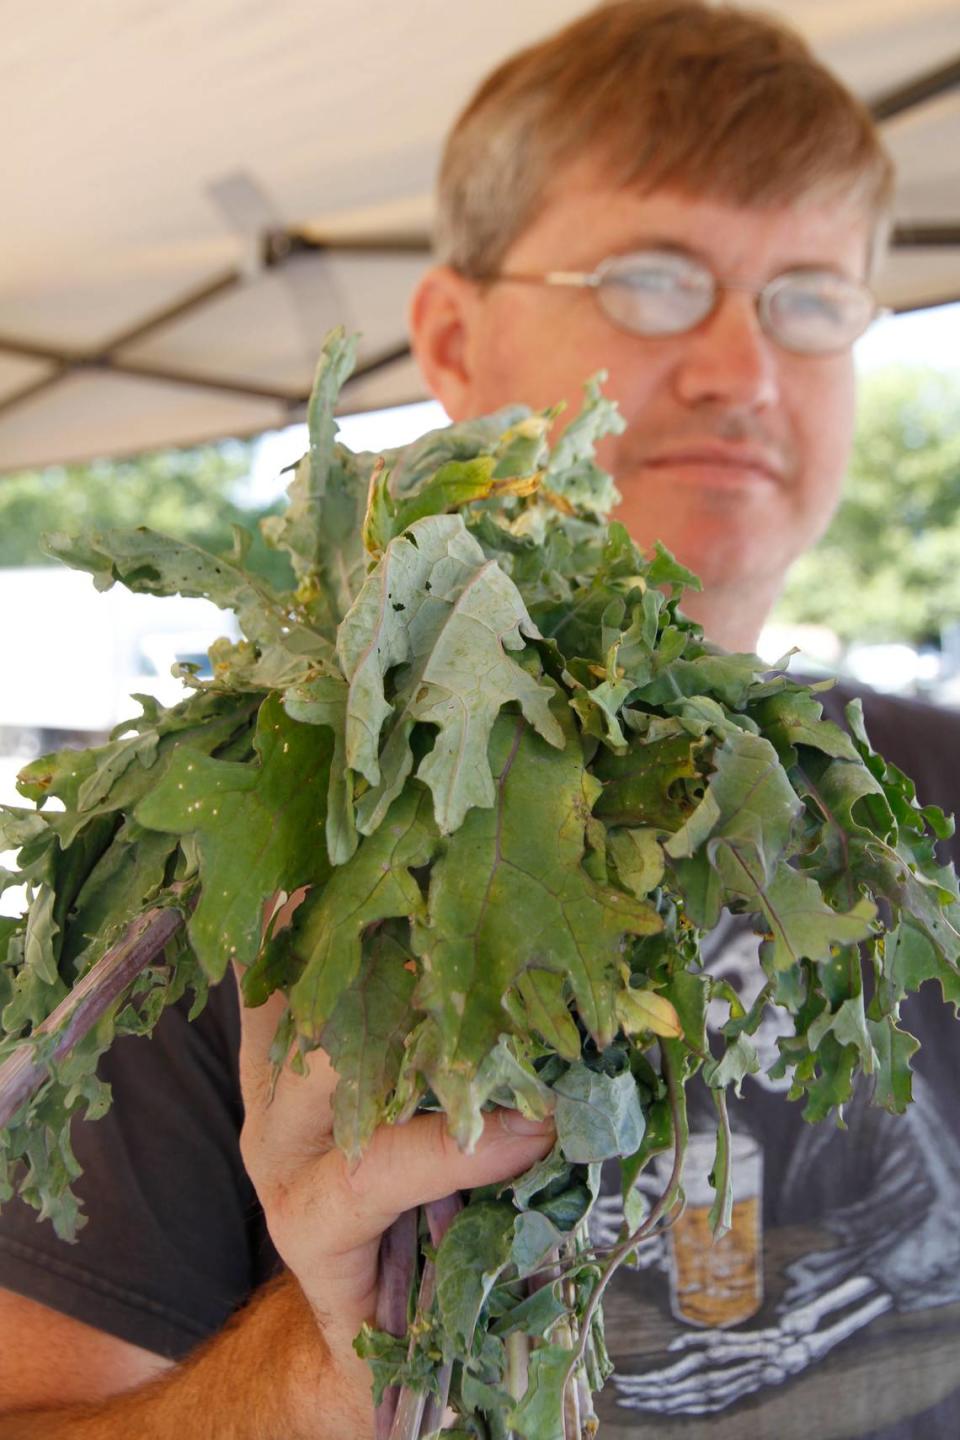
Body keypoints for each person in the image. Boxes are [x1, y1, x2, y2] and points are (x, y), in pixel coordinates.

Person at [1, 3, 959, 1436]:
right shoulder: (241, 844)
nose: (740, 369)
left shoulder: (930, 797)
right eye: (651, 279)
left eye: (810, 298)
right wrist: (325, 1378)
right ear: (452, 332)